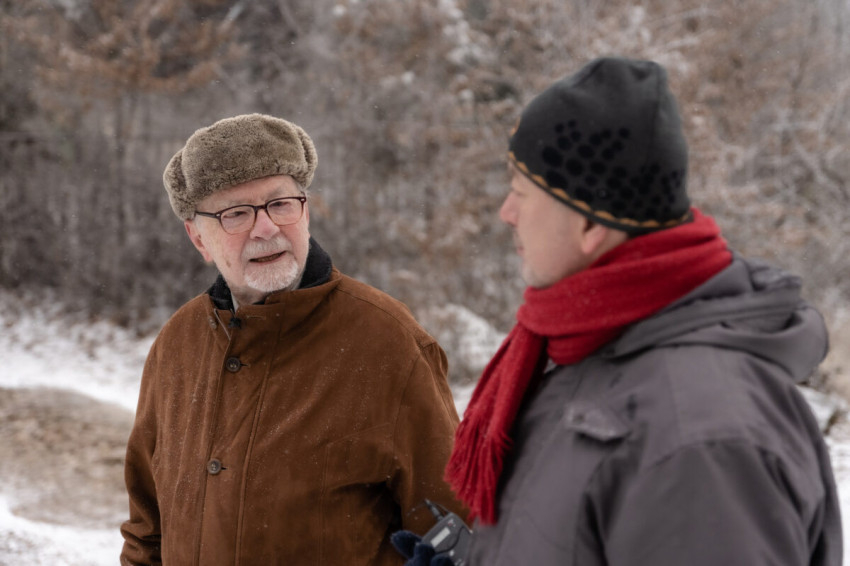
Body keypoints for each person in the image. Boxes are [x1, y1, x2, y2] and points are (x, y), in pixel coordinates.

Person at [441, 57, 841, 565]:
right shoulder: (588, 354)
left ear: (591, 224)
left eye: (521, 192)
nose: (507, 213)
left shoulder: (698, 441)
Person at [120, 113, 464, 565]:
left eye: (281, 204)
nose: (266, 228)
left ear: (305, 211)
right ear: (198, 237)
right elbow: (147, 532)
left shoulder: (389, 343)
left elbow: (453, 535)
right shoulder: (178, 344)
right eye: (236, 214)